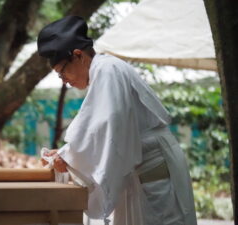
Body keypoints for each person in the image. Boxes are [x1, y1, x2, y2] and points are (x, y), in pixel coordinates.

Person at [37, 15, 197, 225]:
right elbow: (104, 131)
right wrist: (66, 154)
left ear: (79, 56)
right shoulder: (104, 71)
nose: (65, 81)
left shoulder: (107, 70)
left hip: (153, 175)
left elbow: (108, 126)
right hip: (141, 171)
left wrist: (68, 156)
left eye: (62, 73)